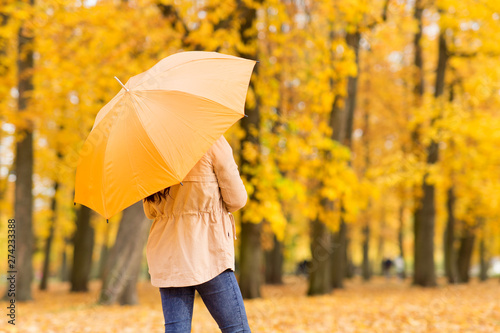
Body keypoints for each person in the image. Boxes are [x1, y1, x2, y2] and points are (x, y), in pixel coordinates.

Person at [143, 135, 251, 333]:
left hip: (169, 255)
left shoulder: (153, 152)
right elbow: (237, 200)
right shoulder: (212, 140)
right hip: (208, 250)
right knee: (237, 330)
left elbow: (150, 212)